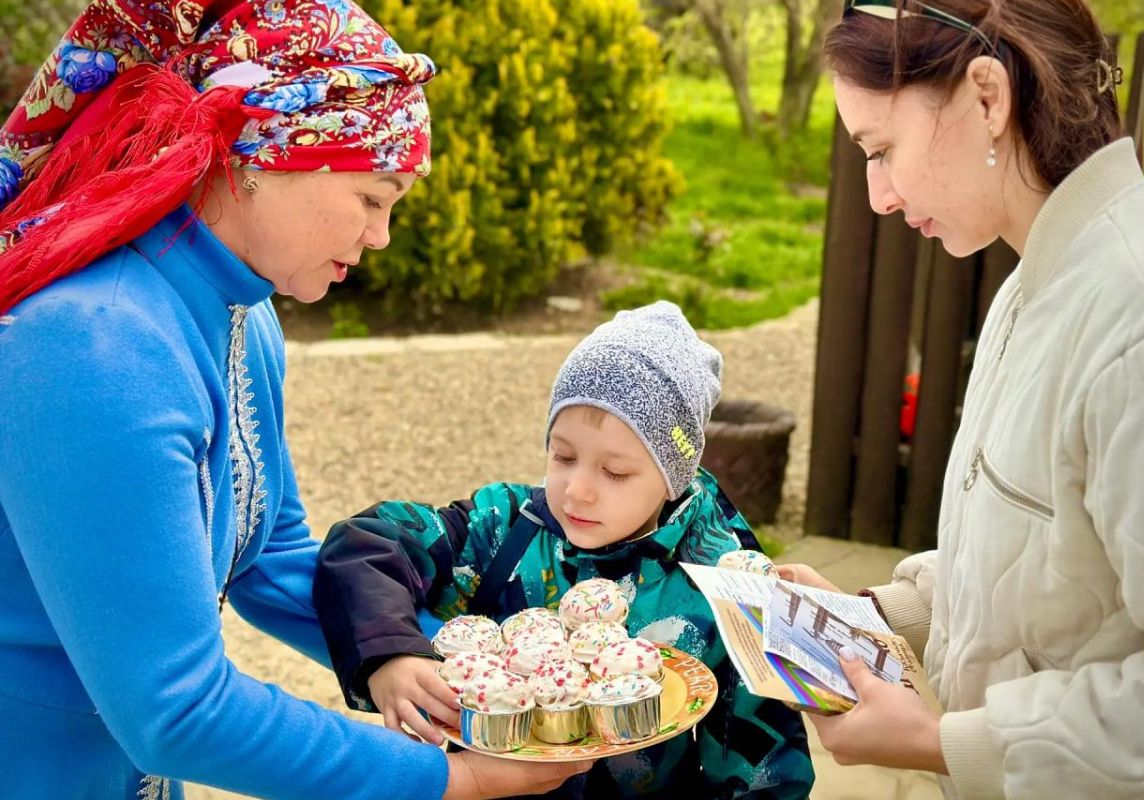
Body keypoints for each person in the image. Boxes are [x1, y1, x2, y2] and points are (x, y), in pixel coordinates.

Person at [0, 1, 586, 797]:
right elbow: (176, 713)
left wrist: (469, 671)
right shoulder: (93, 346)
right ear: (259, 159)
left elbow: (270, 558)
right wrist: (453, 782)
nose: (381, 237)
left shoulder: (244, 315)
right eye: (375, 197)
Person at [779, 1, 1144, 798]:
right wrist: (881, 615)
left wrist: (942, 742)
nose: (879, 195)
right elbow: (1051, 559)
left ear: (986, 97)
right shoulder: (1034, 287)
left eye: (882, 149)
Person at [313, 301, 816, 799]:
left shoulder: (720, 581)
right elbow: (367, 544)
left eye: (615, 472)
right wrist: (388, 655)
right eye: (563, 456)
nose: (578, 490)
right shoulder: (504, 529)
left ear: (671, 479)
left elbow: (763, 759)